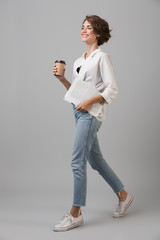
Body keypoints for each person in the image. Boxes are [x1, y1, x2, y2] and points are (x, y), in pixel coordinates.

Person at [52, 15, 133, 232]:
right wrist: (62, 79)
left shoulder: (102, 57)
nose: (84, 30)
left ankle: (75, 213)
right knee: (96, 161)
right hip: (78, 112)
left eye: (89, 27)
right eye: (82, 27)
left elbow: (112, 89)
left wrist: (89, 101)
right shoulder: (79, 61)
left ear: (97, 33)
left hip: (91, 114)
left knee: (77, 161)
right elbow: (76, 92)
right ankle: (123, 196)